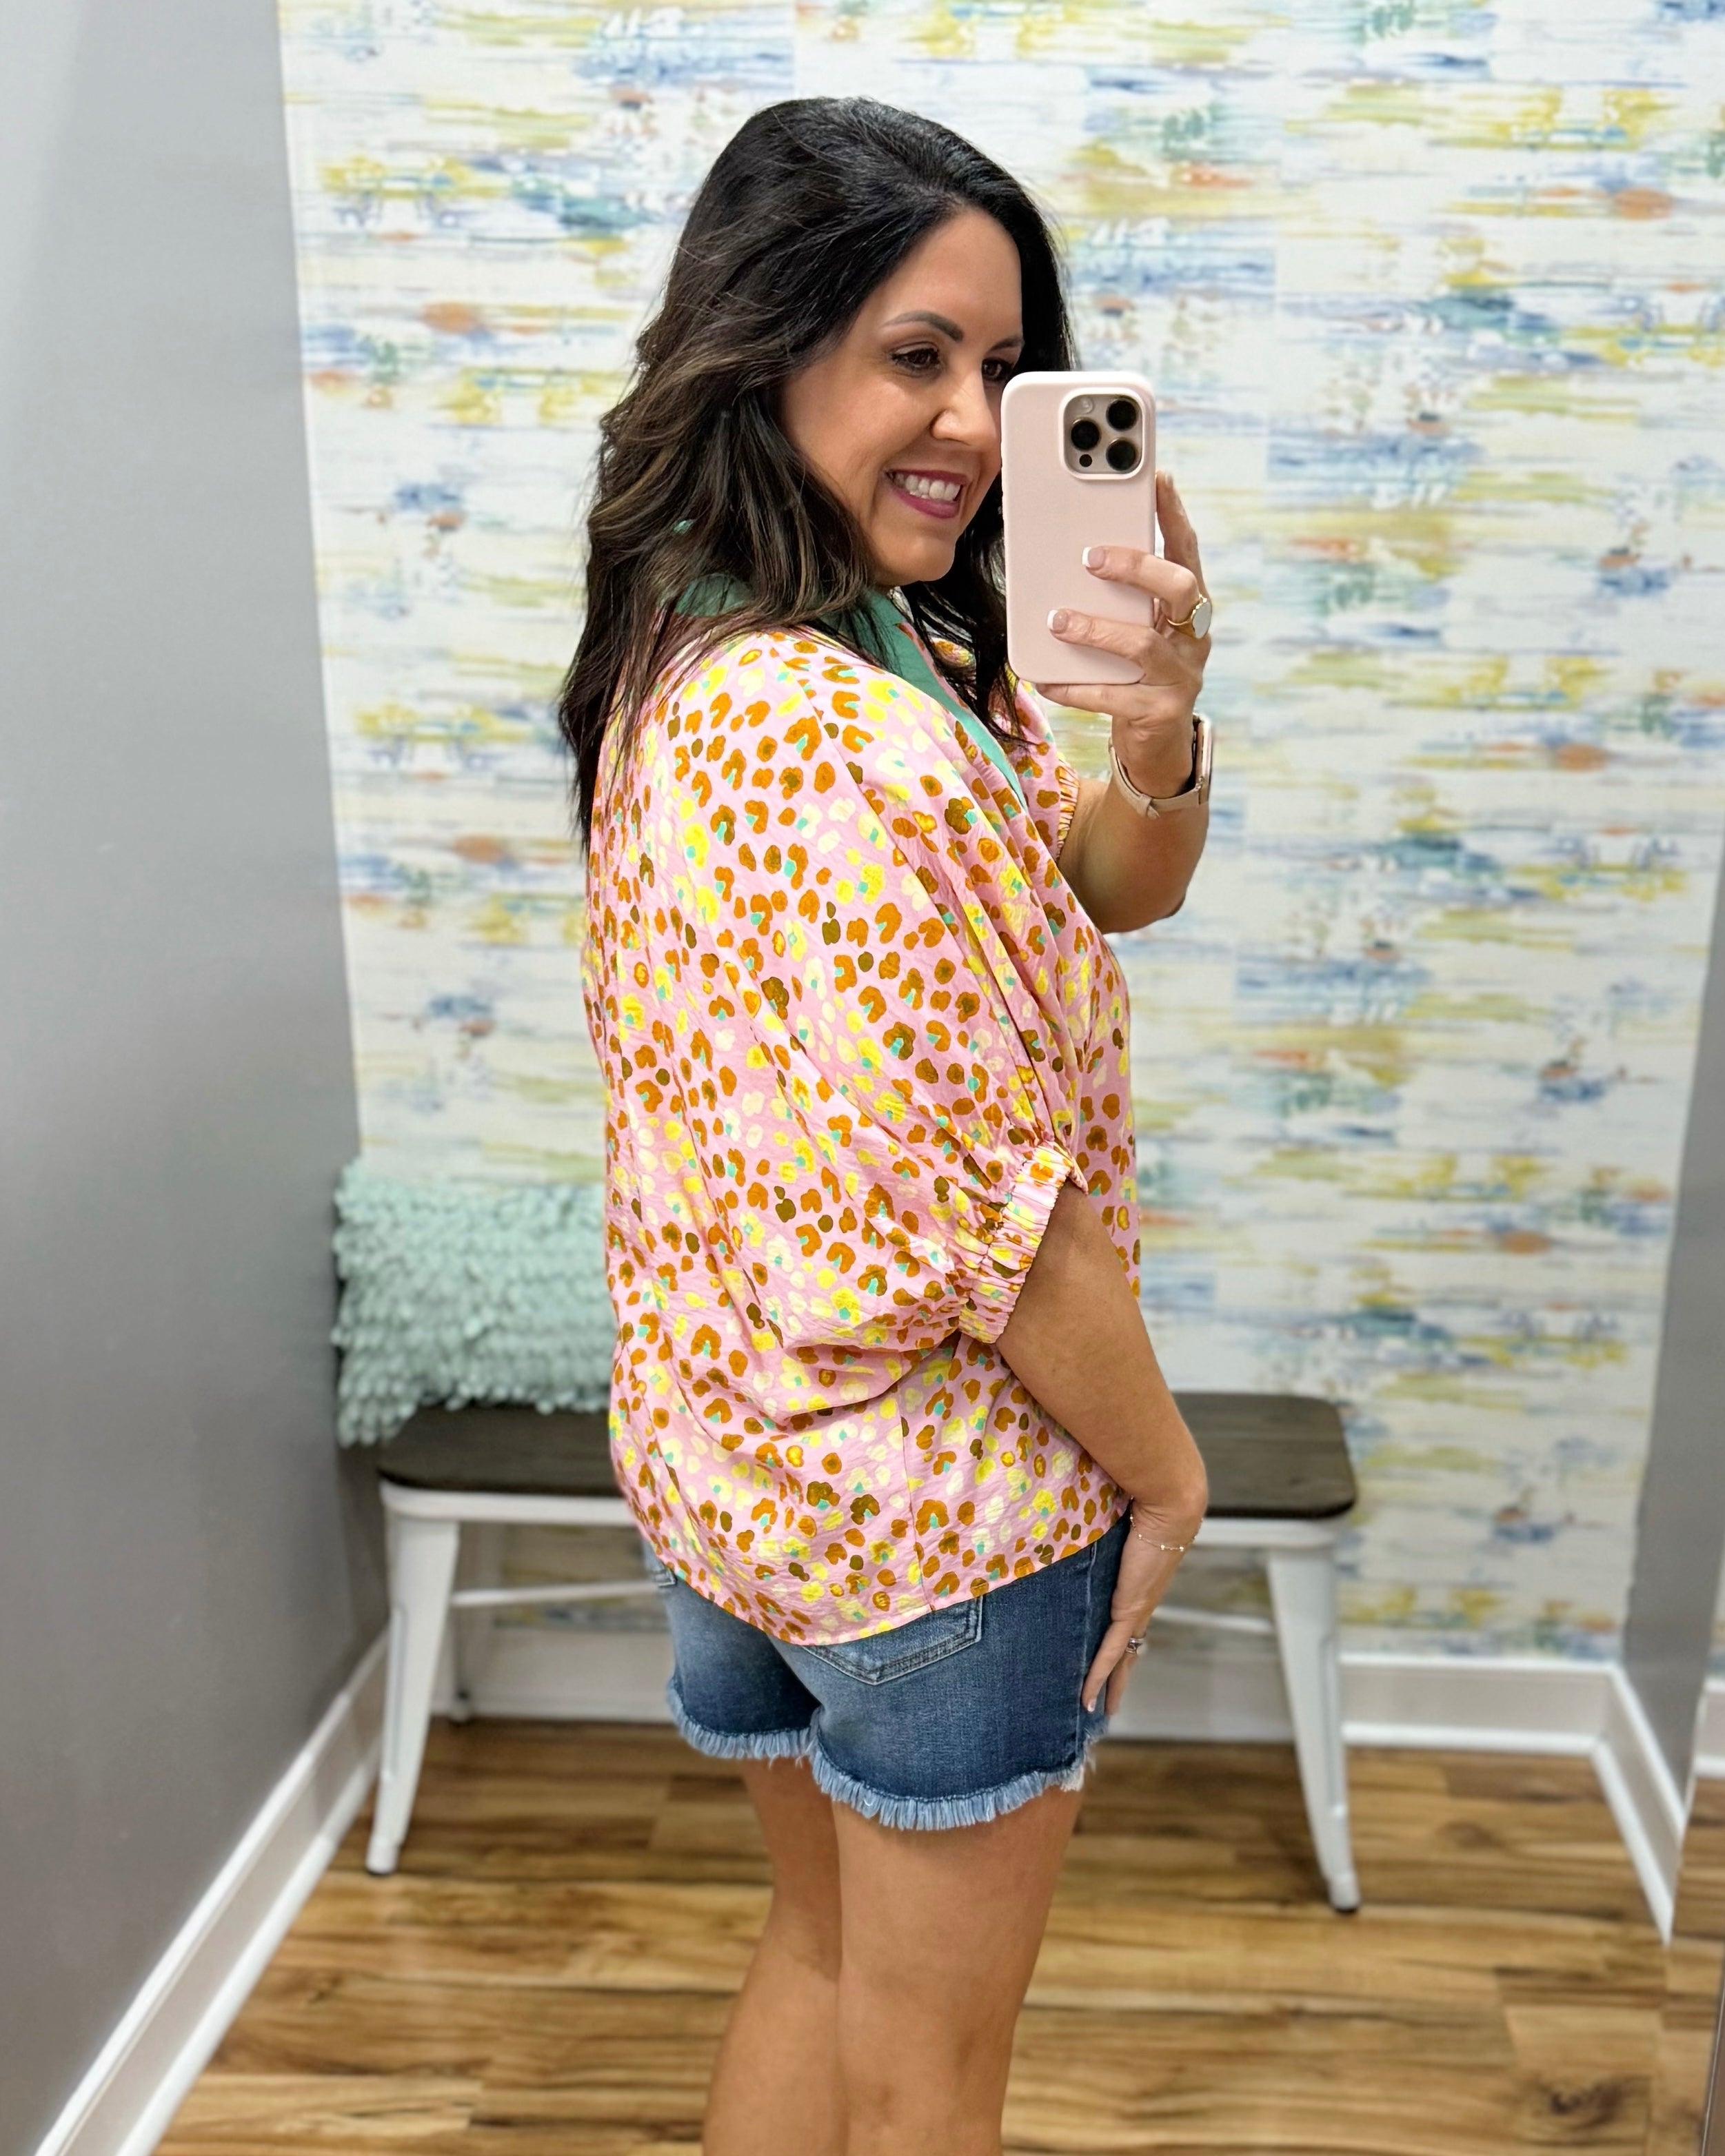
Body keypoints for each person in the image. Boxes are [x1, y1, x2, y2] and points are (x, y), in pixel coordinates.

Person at [563, 95, 1213, 2156]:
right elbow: (1000, 1240)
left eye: (1007, 367)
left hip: (734, 1474)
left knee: (824, 1959)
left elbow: (1101, 878)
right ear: (770, 348)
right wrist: (1171, 1474)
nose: (971, 413)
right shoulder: (849, 743)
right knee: (936, 2077)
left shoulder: (748, 633)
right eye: (916, 353)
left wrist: (1160, 730)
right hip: (934, 1525)